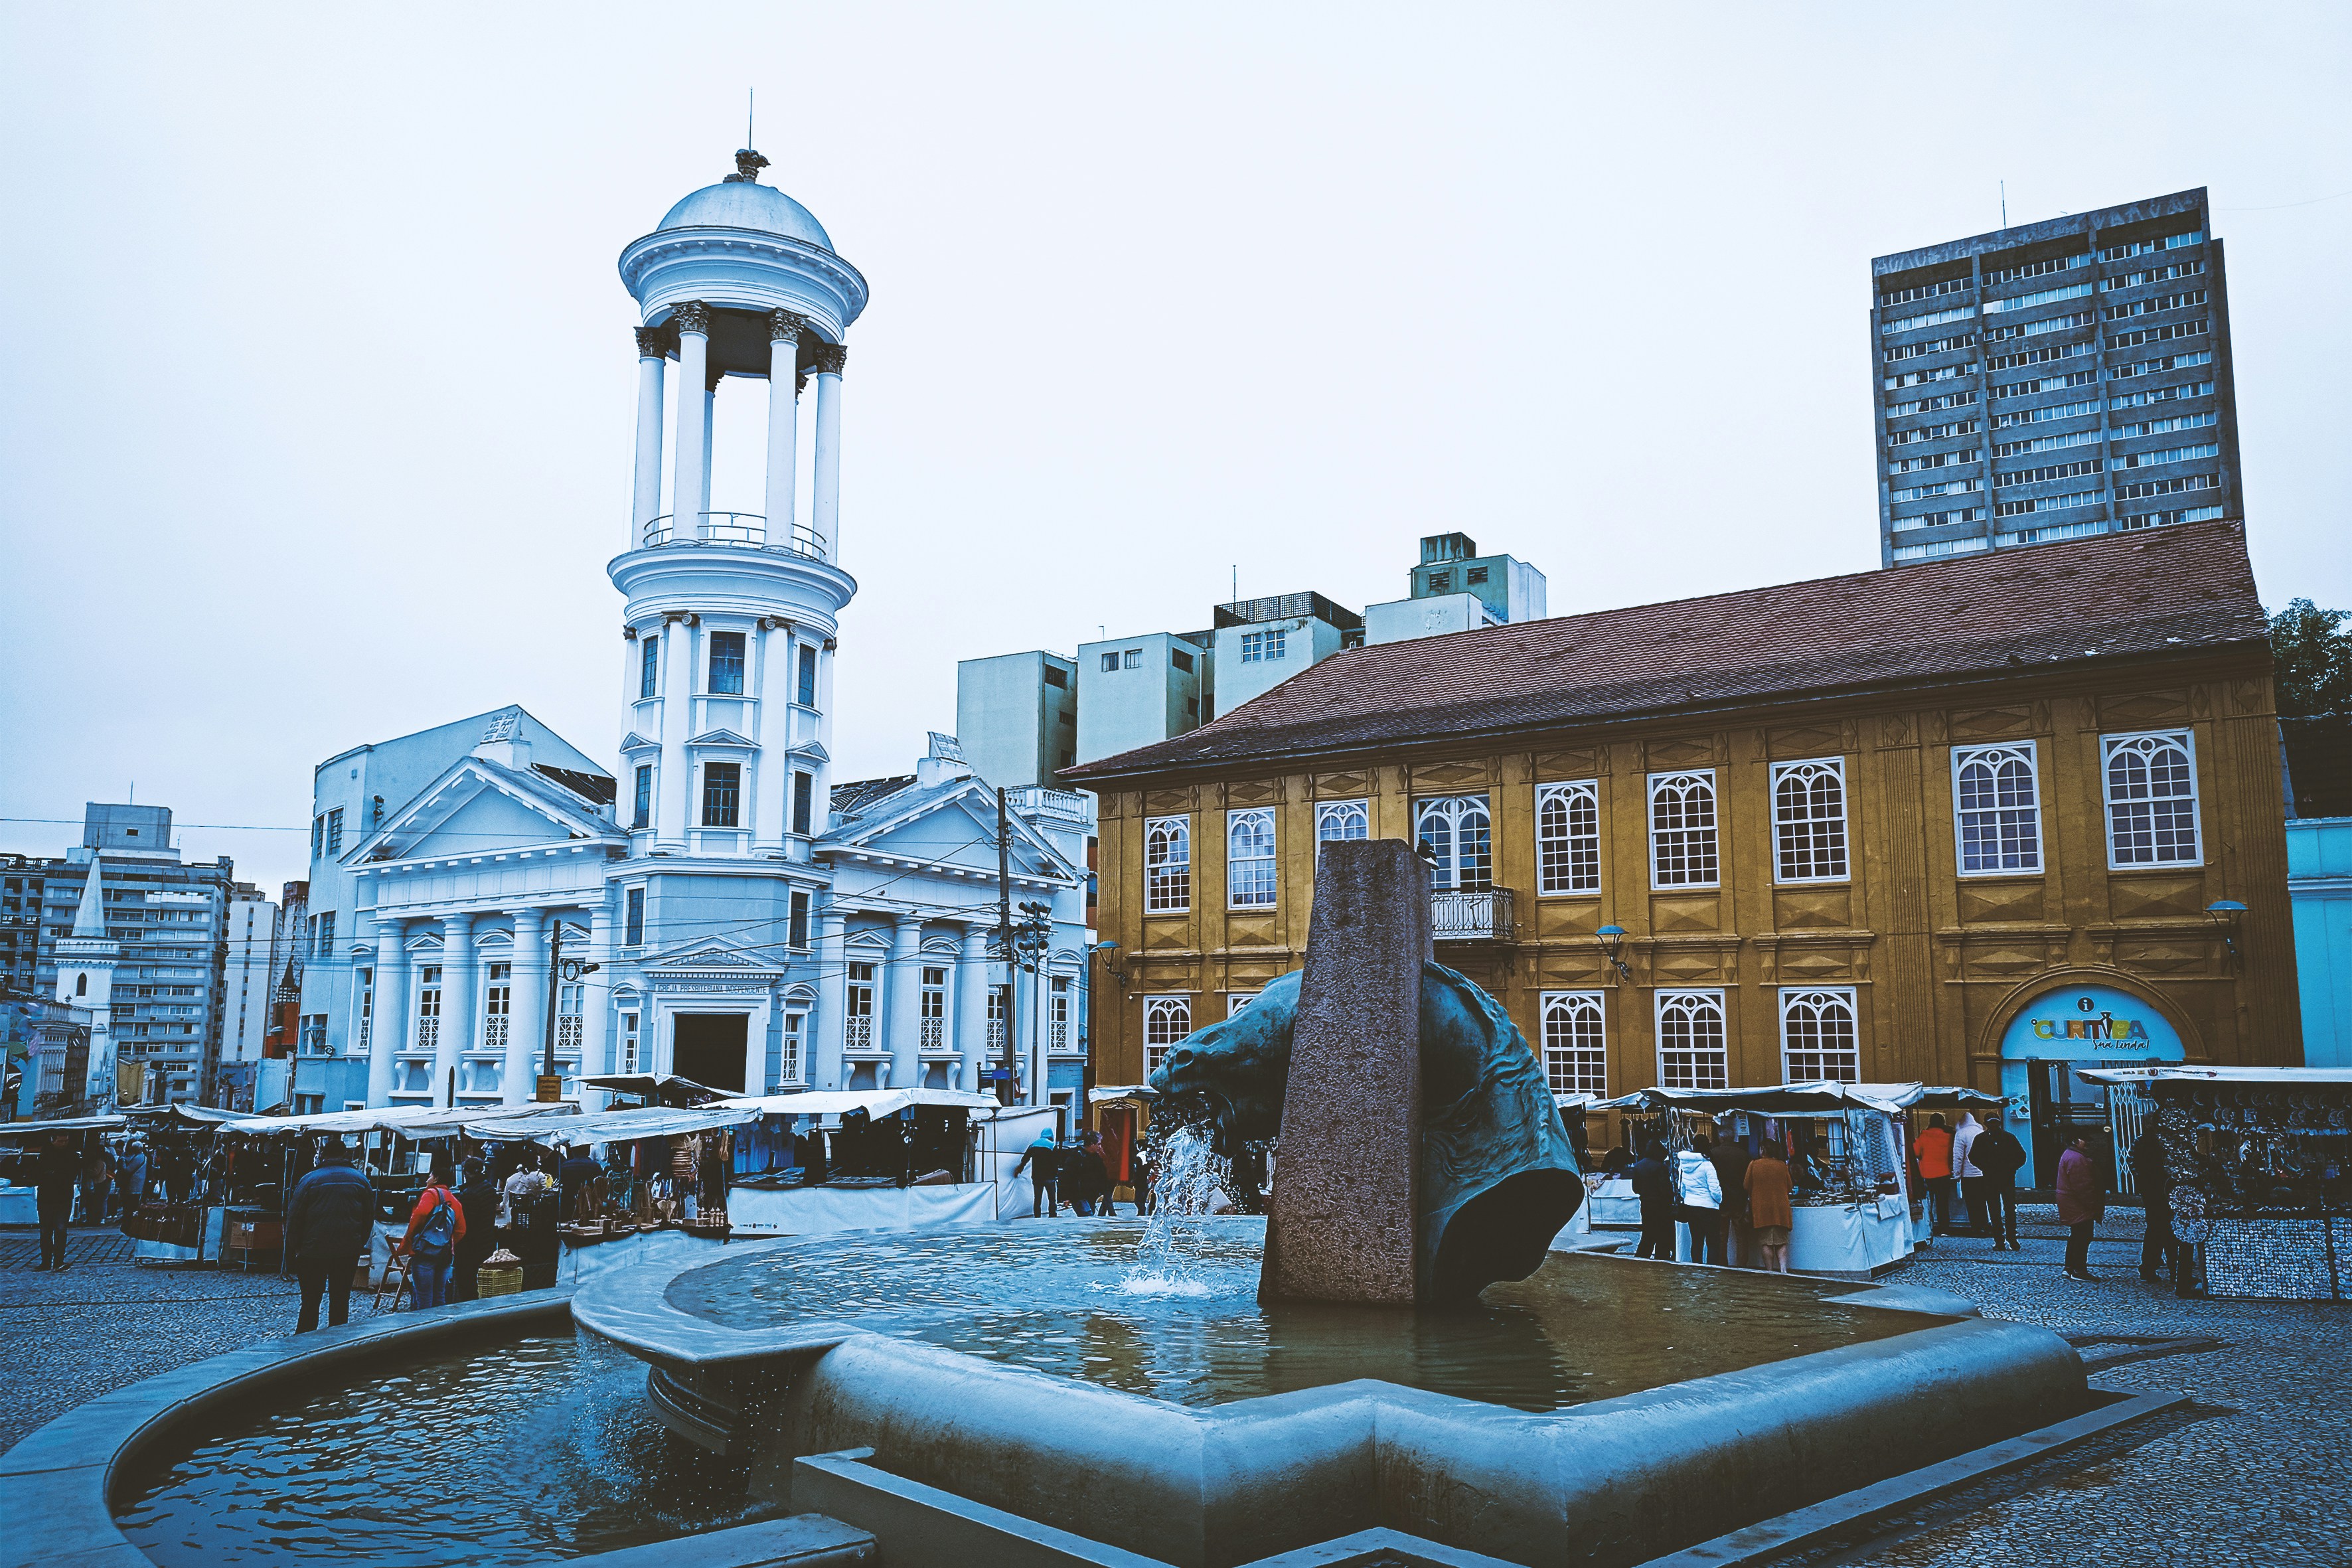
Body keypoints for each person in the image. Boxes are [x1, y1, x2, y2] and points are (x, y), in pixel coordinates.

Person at [284, 1139, 376, 1331]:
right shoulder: (360, 1180)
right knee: (340, 1300)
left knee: (310, 1301)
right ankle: (336, 1345)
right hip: (347, 1250)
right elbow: (368, 1218)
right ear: (345, 1155)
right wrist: (358, 1244)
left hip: (312, 1250)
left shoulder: (310, 1179)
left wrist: (297, 1246)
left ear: (324, 1155)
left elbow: (294, 1217)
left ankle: (305, 1343)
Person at [2129, 1127, 2191, 1291]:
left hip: (2152, 1191)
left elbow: (2131, 1162)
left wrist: (2143, 1182)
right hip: (2161, 1191)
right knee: (2168, 1232)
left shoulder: (2142, 1140)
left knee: (2156, 1230)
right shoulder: (2163, 1142)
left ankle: (2151, 1267)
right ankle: (2172, 1270)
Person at [401, 1157, 467, 1309]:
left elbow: (420, 1214)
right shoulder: (455, 1200)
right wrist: (445, 1242)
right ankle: (440, 1330)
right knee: (440, 1295)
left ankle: (424, 1329)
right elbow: (461, 1230)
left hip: (426, 1252)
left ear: (436, 1178)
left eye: (430, 1176)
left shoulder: (430, 1194)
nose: (427, 1180)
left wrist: (411, 1238)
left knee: (423, 1296)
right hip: (445, 1254)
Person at [1971, 1115, 2027, 1250]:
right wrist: (2010, 1167)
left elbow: (2021, 1156)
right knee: (2002, 1209)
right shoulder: (2004, 1137)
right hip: (1998, 1178)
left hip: (1998, 1178)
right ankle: (2005, 1239)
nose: (1994, 1126)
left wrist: (1986, 1167)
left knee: (2002, 1209)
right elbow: (1973, 1157)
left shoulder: (1988, 1138)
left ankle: (2007, 1239)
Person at [2055, 1133, 2106, 1279]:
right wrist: (2092, 1205)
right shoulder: (2077, 1158)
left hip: (2071, 1201)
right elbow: (2083, 1186)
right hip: (2077, 1203)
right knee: (2083, 1236)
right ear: (2075, 1141)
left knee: (2077, 1235)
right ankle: (2079, 1270)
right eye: (2085, 1139)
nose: (2088, 1142)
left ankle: (2070, 1267)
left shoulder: (2071, 1155)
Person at [451, 1157, 501, 1302]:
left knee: (467, 1282)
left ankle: (469, 1309)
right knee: (476, 1280)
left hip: (471, 1246)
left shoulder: (470, 1194)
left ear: (467, 1173)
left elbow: (466, 1223)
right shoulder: (488, 1188)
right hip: (486, 1241)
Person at [1674, 1135, 1727, 1264]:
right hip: (1709, 1208)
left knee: (1697, 1241)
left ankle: (1697, 1266)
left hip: (1691, 1206)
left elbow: (1682, 1189)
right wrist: (1719, 1200)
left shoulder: (1684, 1165)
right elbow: (1715, 1190)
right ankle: (1711, 1269)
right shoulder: (1708, 1165)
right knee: (1712, 1242)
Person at [1745, 1140, 1794, 1274]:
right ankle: (1784, 1270)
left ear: (1763, 1150)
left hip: (1762, 1209)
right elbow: (1789, 1186)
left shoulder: (1754, 1165)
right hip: (1780, 1209)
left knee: (1766, 1242)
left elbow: (1746, 1185)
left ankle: (1770, 1271)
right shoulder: (1782, 1165)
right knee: (1781, 1241)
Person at [35, 1133, 80, 1271]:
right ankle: (46, 1261)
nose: (64, 1143)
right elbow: (39, 1174)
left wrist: (54, 1174)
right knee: (45, 1231)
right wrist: (56, 1174)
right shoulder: (45, 1154)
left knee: (60, 1229)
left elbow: (72, 1173)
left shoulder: (72, 1155)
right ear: (53, 1140)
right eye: (61, 1141)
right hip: (47, 1198)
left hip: (63, 1198)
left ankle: (59, 1261)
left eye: (66, 1141)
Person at [1708, 1132, 1752, 1269]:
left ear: (1721, 1138)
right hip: (1739, 1199)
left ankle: (1722, 1265)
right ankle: (1741, 1266)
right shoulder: (1743, 1154)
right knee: (1742, 1237)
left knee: (1721, 1236)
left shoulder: (1713, 1154)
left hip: (1721, 1200)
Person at [1628, 1142, 1678, 1261]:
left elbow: (1636, 1189)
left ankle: (1642, 1257)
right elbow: (1665, 1189)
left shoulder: (1638, 1166)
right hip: (1660, 1205)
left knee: (1648, 1234)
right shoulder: (1660, 1167)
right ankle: (1661, 1258)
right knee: (1662, 1235)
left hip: (1646, 1204)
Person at [1913, 1115, 1955, 1234]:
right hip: (1944, 1172)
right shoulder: (1949, 1136)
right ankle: (1944, 1228)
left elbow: (1916, 1152)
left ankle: (1928, 1226)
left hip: (1926, 1173)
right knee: (1943, 1202)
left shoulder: (1924, 1135)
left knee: (1928, 1202)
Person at [1950, 1112, 1986, 1235]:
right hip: (1983, 1174)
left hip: (1969, 1175)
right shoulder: (1981, 1132)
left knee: (1972, 1203)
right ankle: (1985, 1225)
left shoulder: (1961, 1134)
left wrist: (1956, 1174)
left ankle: (1976, 1228)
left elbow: (1958, 1157)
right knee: (1982, 1202)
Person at [1012, 1130, 1061, 1217]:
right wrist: (1055, 1174)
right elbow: (1056, 1161)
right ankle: (1052, 1217)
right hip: (1049, 1177)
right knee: (1052, 1199)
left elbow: (1025, 1158)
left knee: (1037, 1199)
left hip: (1037, 1177)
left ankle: (1037, 1218)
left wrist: (1020, 1169)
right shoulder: (1052, 1146)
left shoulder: (1033, 1145)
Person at [557, 1144, 605, 1221]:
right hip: (591, 1208)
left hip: (568, 1205)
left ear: (573, 1151)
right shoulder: (595, 1166)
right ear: (588, 1151)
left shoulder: (564, 1166)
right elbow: (601, 1188)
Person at [116, 1138, 149, 1217]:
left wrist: (123, 1161)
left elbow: (127, 1170)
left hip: (134, 1186)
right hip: (138, 1186)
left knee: (130, 1206)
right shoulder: (142, 1157)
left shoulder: (138, 1158)